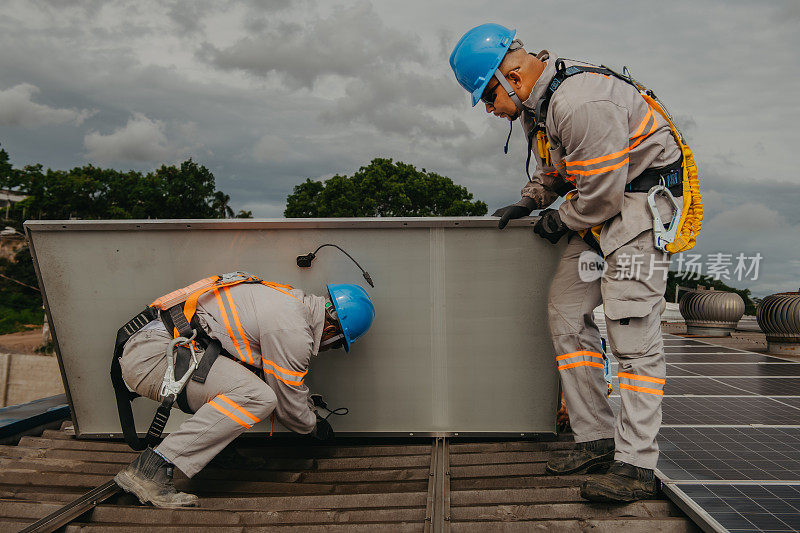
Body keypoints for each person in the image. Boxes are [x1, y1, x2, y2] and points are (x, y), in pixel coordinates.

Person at [450, 23, 686, 502]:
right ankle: (595, 437)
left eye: (487, 98)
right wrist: (532, 198)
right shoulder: (546, 103)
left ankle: (635, 464)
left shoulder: (580, 103)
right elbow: (563, 167)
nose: (491, 111)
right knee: (565, 313)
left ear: (511, 77)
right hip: (600, 215)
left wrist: (560, 220)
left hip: (635, 212)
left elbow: (601, 192)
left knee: (632, 334)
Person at [113, 277, 375, 508]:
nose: (331, 349)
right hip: (155, 357)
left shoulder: (288, 303)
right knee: (257, 397)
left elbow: (281, 379)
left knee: (248, 381)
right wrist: (314, 426)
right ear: (332, 330)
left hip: (159, 348)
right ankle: (152, 468)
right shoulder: (293, 329)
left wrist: (308, 409)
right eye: (338, 344)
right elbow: (286, 403)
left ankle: (213, 451)